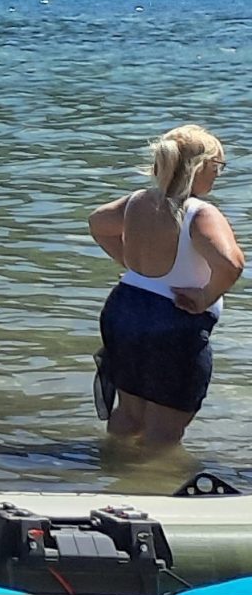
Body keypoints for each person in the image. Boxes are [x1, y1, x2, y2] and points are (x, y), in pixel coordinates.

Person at [88, 126, 241, 448]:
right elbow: (231, 265)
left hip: (125, 310)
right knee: (165, 428)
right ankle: (155, 490)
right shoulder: (200, 213)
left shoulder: (138, 201)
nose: (219, 175)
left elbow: (98, 223)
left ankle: (111, 472)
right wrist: (206, 296)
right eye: (219, 167)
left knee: (129, 414)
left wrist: (129, 263)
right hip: (171, 323)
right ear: (201, 167)